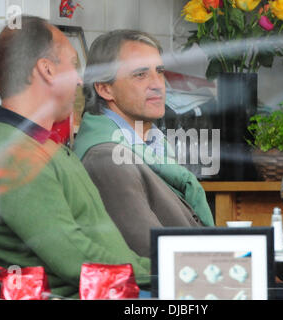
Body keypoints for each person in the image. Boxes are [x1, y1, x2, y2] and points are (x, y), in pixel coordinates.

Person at [0, 16, 150, 299]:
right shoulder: (14, 156)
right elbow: (75, 258)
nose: (78, 78)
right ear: (47, 70)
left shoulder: (32, 145)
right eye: (73, 65)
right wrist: (163, 272)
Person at [73, 30, 215, 258]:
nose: (157, 85)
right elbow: (149, 253)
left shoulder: (150, 143)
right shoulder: (107, 159)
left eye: (159, 72)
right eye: (140, 75)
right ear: (104, 88)